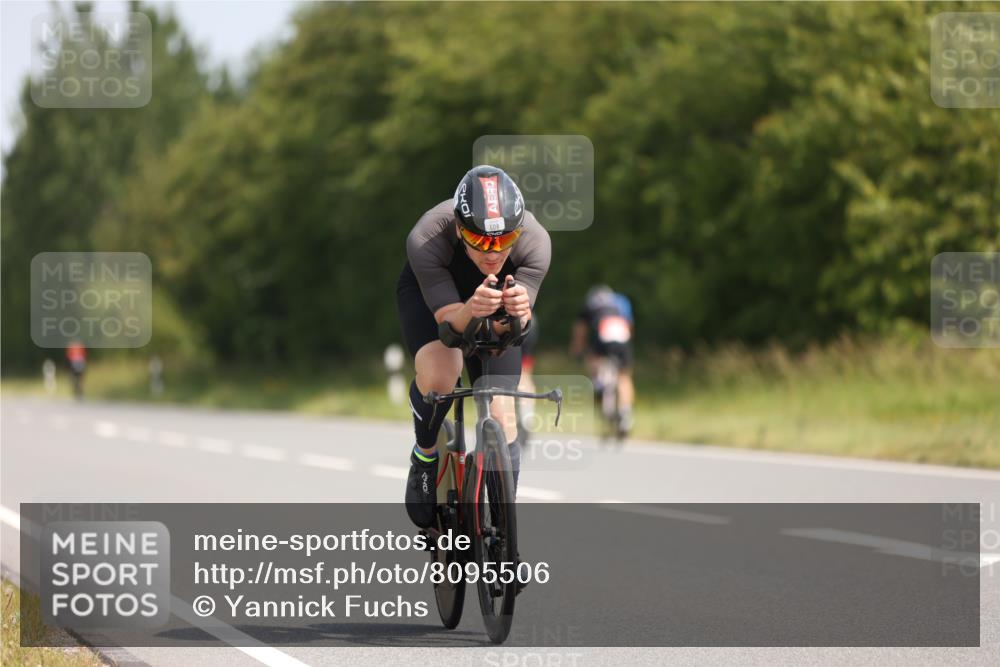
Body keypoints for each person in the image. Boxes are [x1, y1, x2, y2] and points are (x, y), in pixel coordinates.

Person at [396, 165, 551, 528]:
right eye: (480, 240)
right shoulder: (427, 236)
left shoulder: (536, 243)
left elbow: (513, 331)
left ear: (520, 231)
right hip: (433, 300)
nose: (493, 252)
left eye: (503, 240)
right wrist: (470, 309)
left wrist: (517, 316)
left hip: (490, 304)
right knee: (441, 373)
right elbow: (451, 331)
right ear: (458, 228)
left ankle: (504, 534)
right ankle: (425, 454)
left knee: (502, 413)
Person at [570, 285, 635, 434]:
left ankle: (598, 383)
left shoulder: (589, 305)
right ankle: (626, 413)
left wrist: (577, 350)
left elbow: (580, 331)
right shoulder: (620, 303)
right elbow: (630, 327)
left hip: (602, 334)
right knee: (624, 376)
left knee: (593, 358)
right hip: (621, 334)